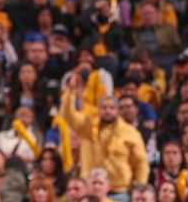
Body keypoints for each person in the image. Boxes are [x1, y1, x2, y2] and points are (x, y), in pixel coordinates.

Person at [59, 73, 149, 202]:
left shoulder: (131, 132)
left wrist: (139, 187)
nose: (107, 111)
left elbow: (141, 162)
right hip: (90, 192)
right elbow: (67, 115)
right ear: (98, 109)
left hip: (120, 192)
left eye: (111, 108)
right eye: (104, 107)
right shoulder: (87, 126)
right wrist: (70, 92)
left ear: (117, 110)